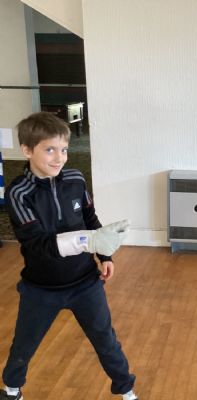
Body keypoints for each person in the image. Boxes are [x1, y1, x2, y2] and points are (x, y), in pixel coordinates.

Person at [1, 112, 138, 400]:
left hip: (85, 283)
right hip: (41, 288)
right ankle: (12, 389)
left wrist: (105, 255)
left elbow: (90, 218)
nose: (59, 158)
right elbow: (37, 244)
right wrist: (87, 241)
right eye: (49, 149)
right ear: (27, 150)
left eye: (64, 149)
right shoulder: (19, 192)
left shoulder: (75, 179)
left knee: (106, 340)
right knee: (24, 345)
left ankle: (127, 391)